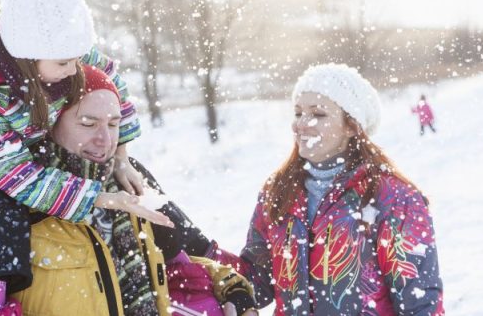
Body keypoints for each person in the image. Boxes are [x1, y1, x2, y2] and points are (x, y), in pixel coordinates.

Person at [0, 0, 171, 313]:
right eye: (65, 62)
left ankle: (185, 253)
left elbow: (112, 82)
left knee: (111, 166)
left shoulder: (59, 53)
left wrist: (122, 156)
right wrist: (101, 198)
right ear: (26, 55)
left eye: (77, 58)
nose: (75, 70)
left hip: (23, 138)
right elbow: (20, 179)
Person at [0, 67, 257, 316]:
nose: (104, 140)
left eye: (114, 124)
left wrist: (232, 288)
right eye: (87, 123)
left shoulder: (127, 193)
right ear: (49, 121)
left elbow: (174, 269)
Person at [175, 64, 444, 315]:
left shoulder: (392, 197)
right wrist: (198, 246)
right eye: (298, 112)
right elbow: (256, 281)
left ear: (351, 126)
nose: (301, 123)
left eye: (318, 114)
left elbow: (420, 303)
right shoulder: (278, 191)